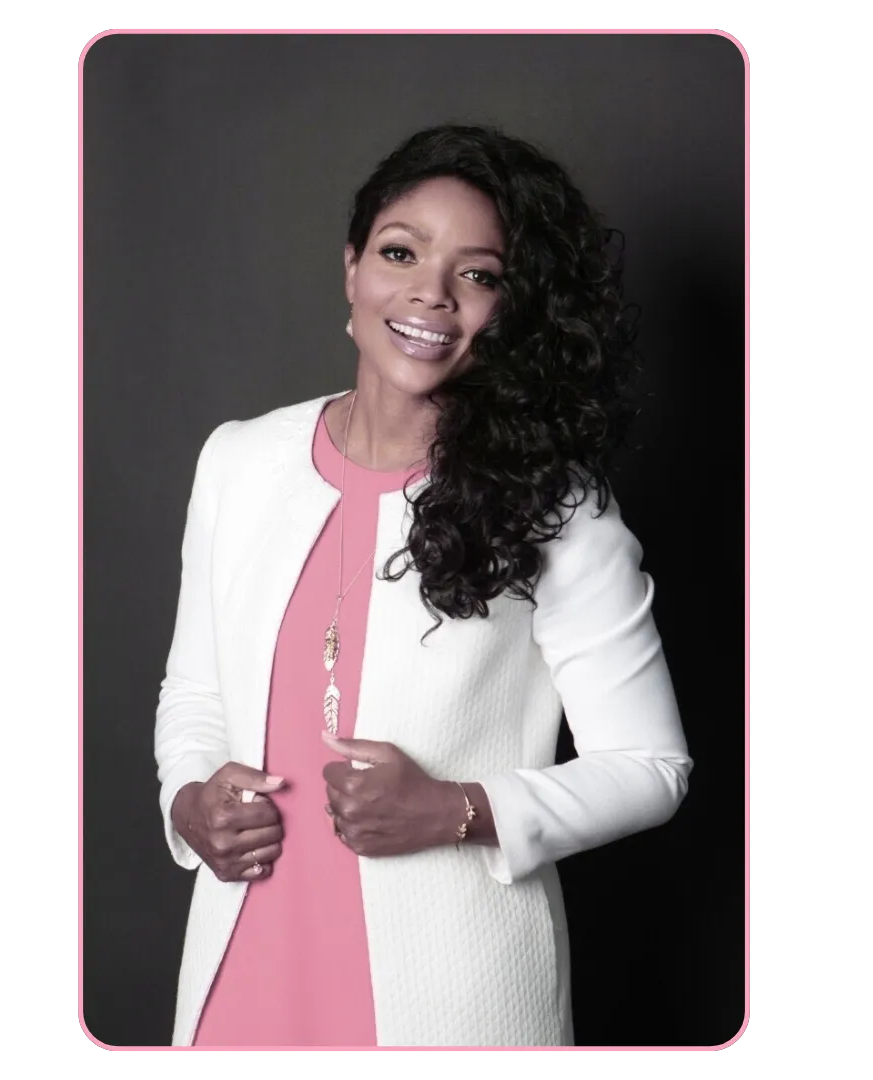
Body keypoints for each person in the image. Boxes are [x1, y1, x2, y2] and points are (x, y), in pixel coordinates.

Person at [154, 124, 693, 1049]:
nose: (431, 294)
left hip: (454, 994)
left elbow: (652, 767)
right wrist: (189, 801)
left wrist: (457, 810)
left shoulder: (558, 509)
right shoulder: (238, 462)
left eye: (478, 274)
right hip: (244, 972)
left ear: (511, 309)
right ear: (352, 269)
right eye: (400, 253)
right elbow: (196, 693)